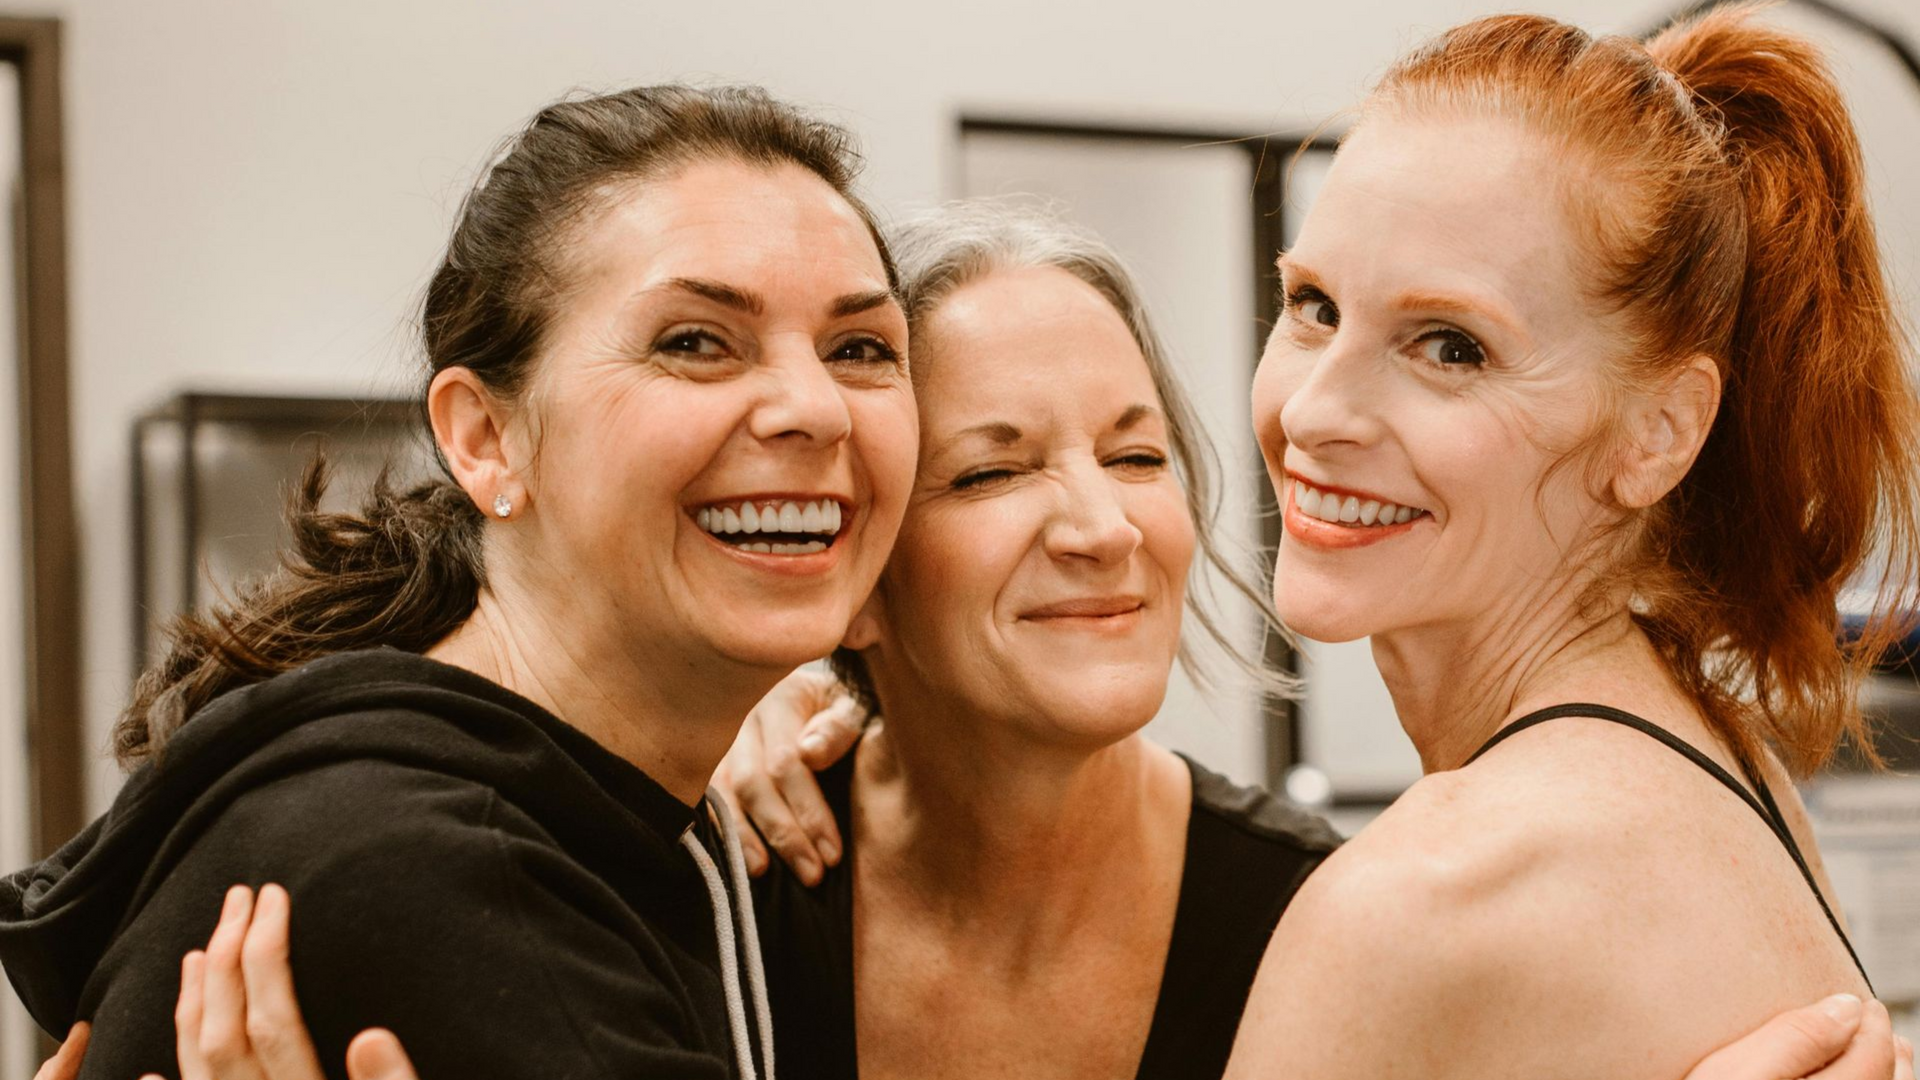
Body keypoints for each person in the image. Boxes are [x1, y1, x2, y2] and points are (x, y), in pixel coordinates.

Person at [86, 192, 1910, 1080]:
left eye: (1136, 452)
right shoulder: (709, 884)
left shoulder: (1321, 929)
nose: (1099, 525)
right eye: (989, 472)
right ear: (855, 553)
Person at [0, 83, 918, 1080]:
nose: (814, 409)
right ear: (484, 440)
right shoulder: (448, 876)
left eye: (860, 348)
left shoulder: (579, 799)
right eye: (695, 342)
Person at [1218, 6, 1920, 1078]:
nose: (1313, 412)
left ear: (1658, 434)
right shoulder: (1722, 757)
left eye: (1449, 346)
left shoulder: (1420, 901)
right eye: (1312, 305)